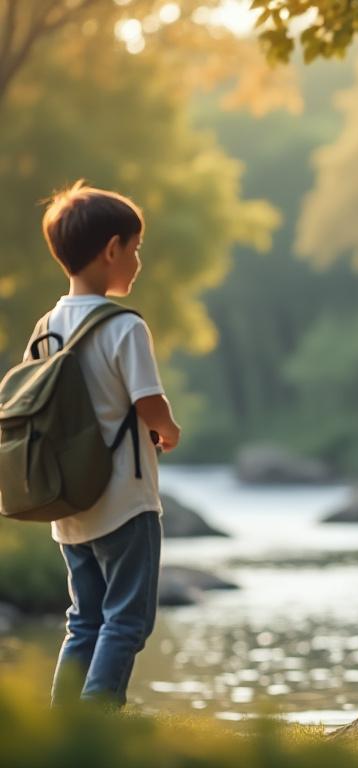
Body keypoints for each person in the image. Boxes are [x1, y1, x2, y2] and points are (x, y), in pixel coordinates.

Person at [31, 181, 182, 707]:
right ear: (111, 249)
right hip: (124, 502)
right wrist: (169, 430)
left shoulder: (46, 328)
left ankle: (64, 723)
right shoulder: (124, 327)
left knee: (84, 619)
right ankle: (95, 728)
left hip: (68, 505)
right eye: (135, 249)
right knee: (126, 621)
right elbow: (148, 402)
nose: (138, 261)